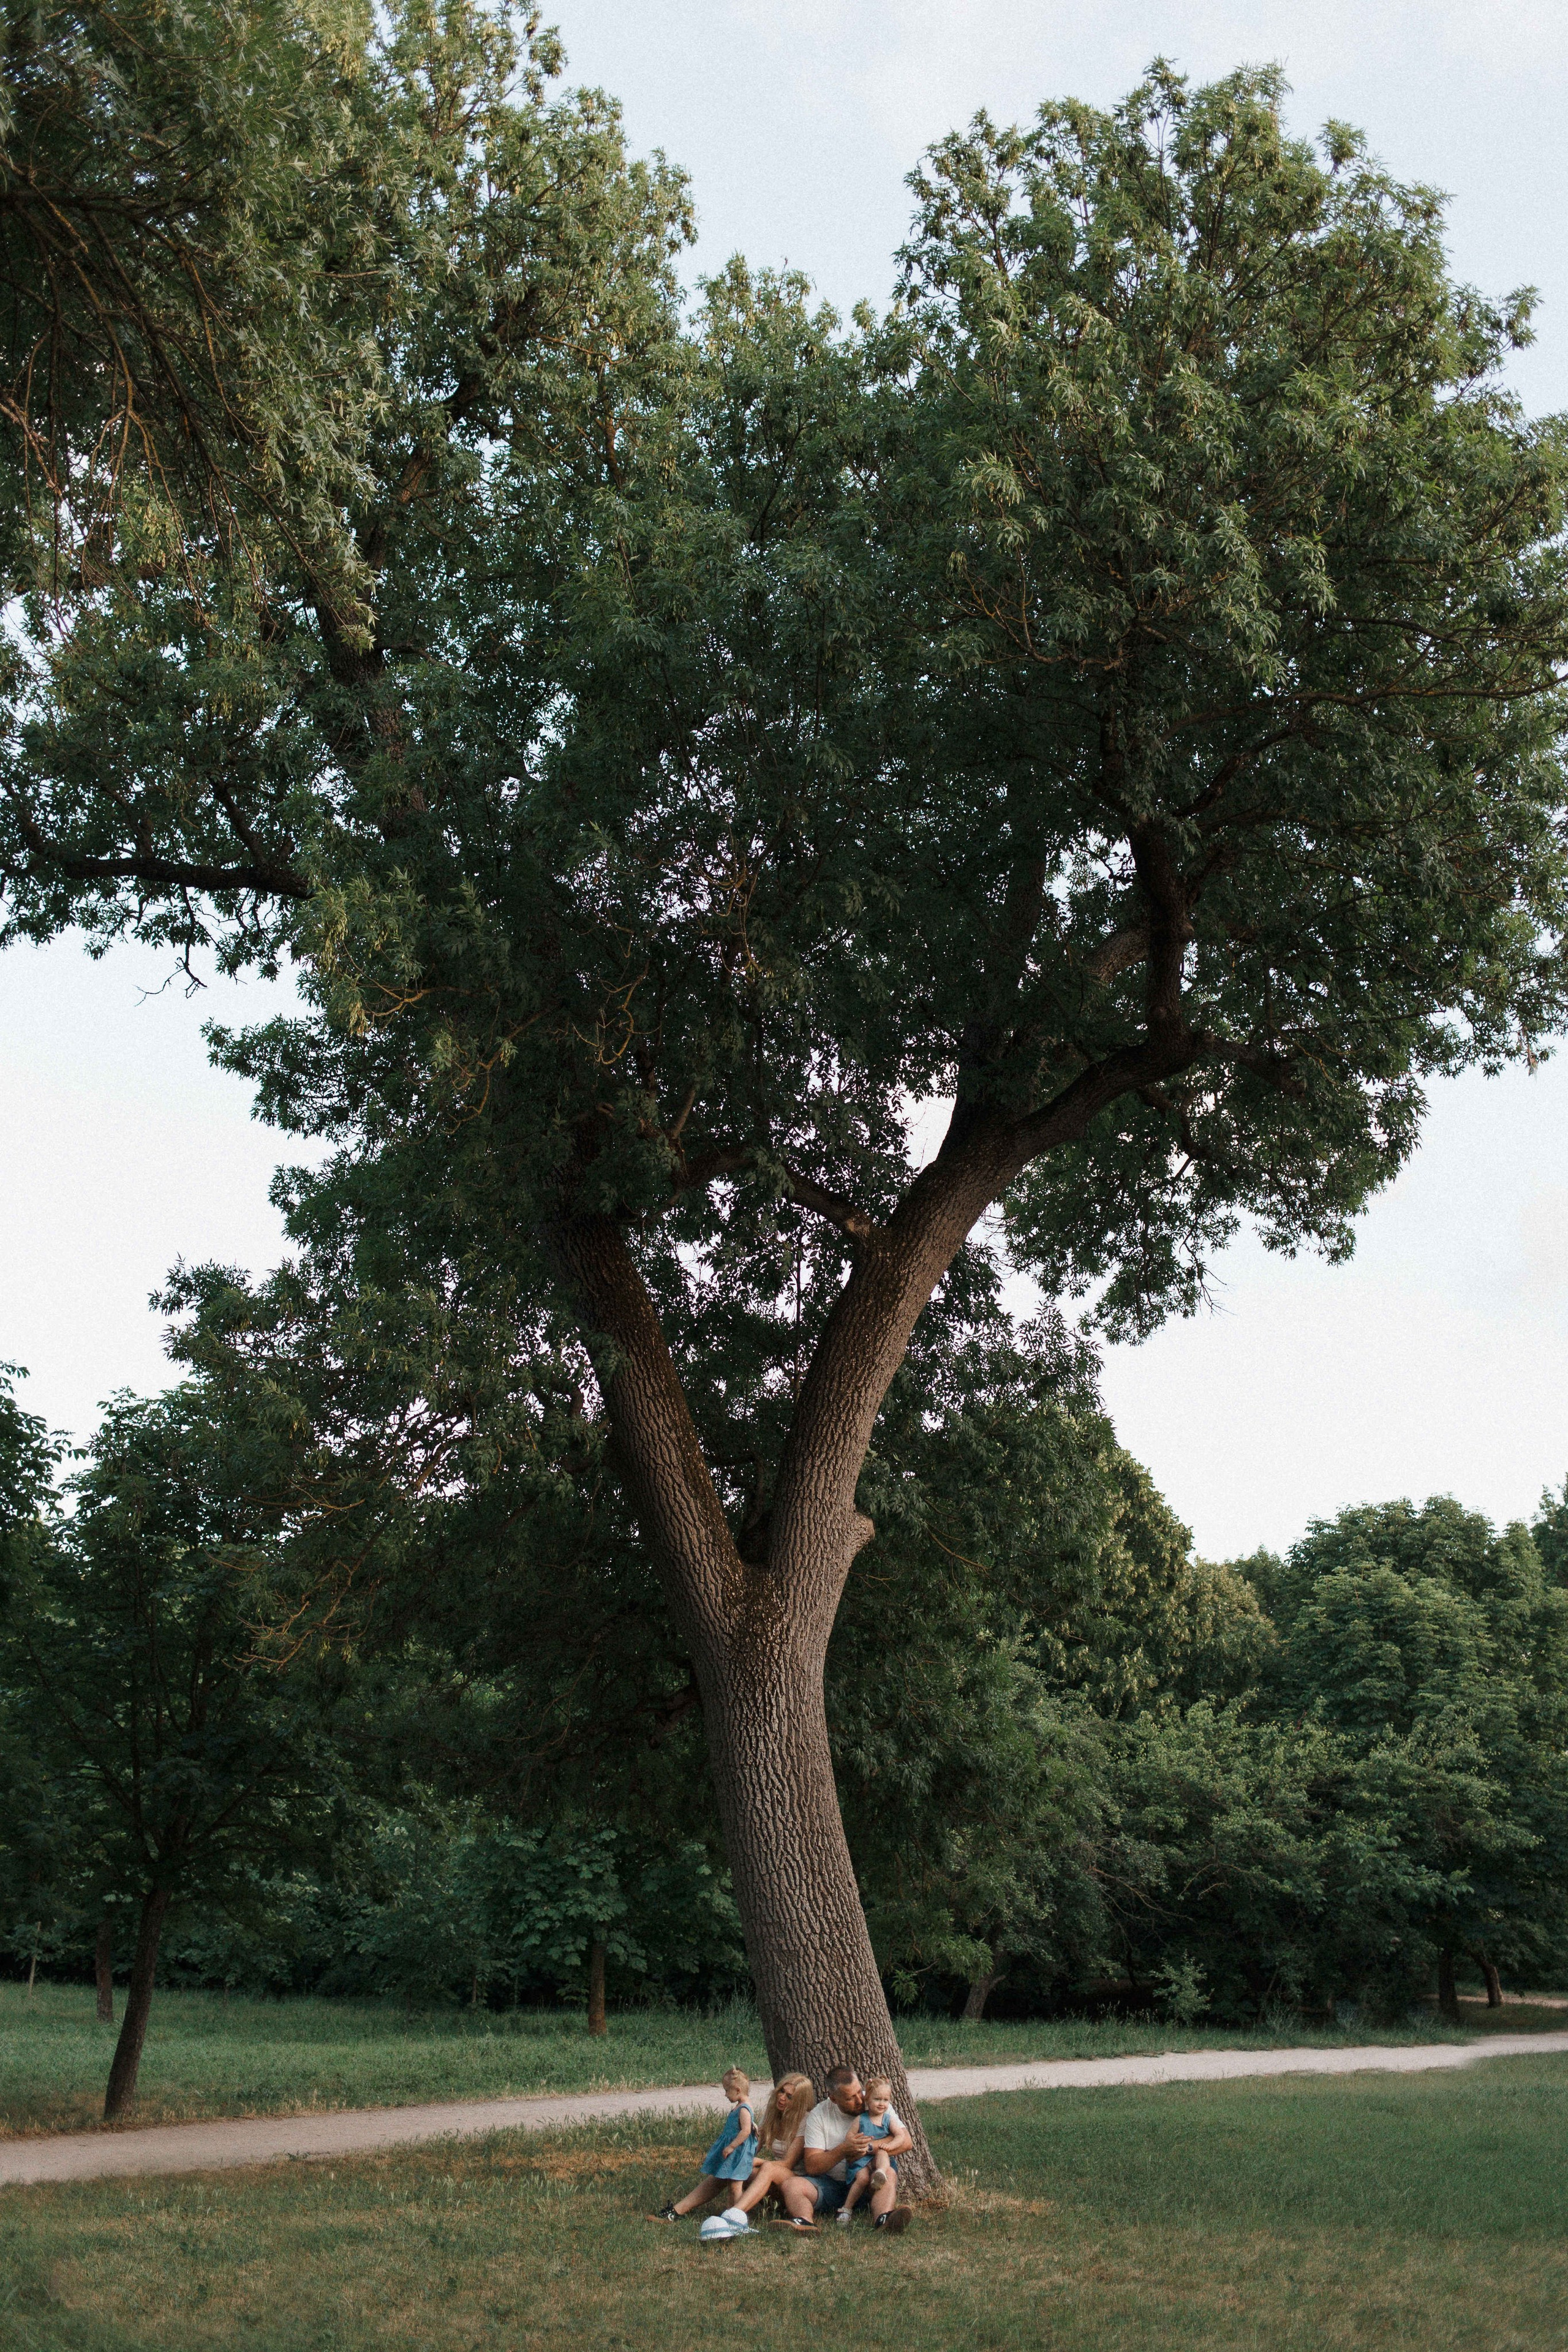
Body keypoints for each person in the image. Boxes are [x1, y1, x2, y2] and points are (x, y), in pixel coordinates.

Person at [799, 2066, 913, 2233]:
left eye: (859, 2092)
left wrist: (867, 2148)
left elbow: (906, 2141)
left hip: (872, 2184)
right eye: (850, 2098)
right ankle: (804, 2223)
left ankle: (883, 2220)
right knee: (793, 2185)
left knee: (887, 2173)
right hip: (832, 2186)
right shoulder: (819, 2115)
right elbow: (812, 2165)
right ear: (833, 2098)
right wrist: (844, 2150)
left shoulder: (877, 2101)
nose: (860, 2100)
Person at [650, 2068, 757, 2222]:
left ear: (738, 2090)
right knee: (731, 2184)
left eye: (727, 2091)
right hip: (735, 2154)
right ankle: (729, 2214)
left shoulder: (744, 2109)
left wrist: (732, 2146)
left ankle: (737, 2217)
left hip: (738, 2154)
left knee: (736, 2185)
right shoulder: (741, 2106)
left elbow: (746, 2131)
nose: (725, 2094)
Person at [721, 2073, 816, 2225]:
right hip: (775, 2177)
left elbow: (788, 2163)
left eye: (790, 2097)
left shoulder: (806, 2120)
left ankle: (734, 2215)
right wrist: (739, 2157)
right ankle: (679, 2209)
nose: (782, 2098)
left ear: (800, 2101)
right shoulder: (773, 2114)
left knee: (768, 2167)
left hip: (797, 2181)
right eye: (781, 2091)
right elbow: (752, 2147)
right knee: (735, 2163)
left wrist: (756, 2161)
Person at [838, 2075, 900, 2223]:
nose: (882, 2104)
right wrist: (856, 2145)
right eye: (877, 2099)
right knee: (863, 2178)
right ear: (867, 2100)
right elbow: (849, 2138)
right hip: (861, 2160)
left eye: (886, 2100)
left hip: (878, 2160)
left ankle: (880, 2173)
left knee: (882, 2153)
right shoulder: (861, 2119)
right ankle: (846, 2209)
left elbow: (901, 2136)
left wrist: (890, 2146)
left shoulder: (888, 2119)